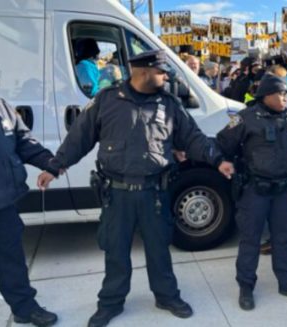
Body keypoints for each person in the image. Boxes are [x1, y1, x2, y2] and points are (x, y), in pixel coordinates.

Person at [38, 50, 234, 326]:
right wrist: (55, 166)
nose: (166, 76)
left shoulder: (169, 104)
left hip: (155, 192)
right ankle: (110, 303)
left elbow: (193, 139)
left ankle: (167, 296)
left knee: (159, 249)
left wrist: (218, 161)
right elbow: (79, 138)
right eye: (162, 72)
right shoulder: (107, 100)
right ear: (143, 72)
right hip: (116, 194)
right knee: (115, 251)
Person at [0, 52, 58, 327]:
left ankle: (24, 308)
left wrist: (51, 163)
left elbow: (24, 142)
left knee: (13, 261)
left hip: (3, 205)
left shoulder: (1, 108)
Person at [216, 74, 287, 311]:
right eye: (280, 94)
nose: (284, 98)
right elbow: (222, 142)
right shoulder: (245, 118)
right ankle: (246, 287)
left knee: (284, 238)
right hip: (255, 190)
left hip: (283, 189)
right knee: (250, 239)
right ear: (266, 95)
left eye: (285, 94)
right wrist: (223, 161)